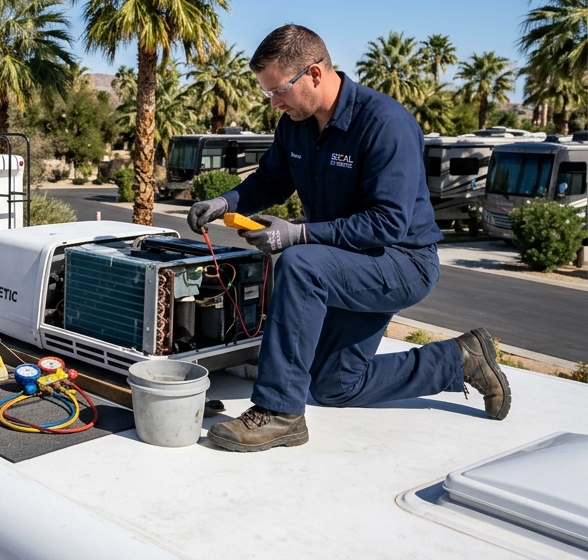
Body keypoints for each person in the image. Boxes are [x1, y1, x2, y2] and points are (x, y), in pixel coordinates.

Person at [188, 24, 511, 453]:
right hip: (344, 263)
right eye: (268, 93)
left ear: (315, 74)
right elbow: (270, 180)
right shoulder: (295, 125)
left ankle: (279, 413)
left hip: (401, 261)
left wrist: (298, 234)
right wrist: (225, 202)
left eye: (278, 90)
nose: (274, 102)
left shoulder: (384, 124)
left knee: (300, 265)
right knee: (334, 385)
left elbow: (388, 223)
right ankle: (458, 359)